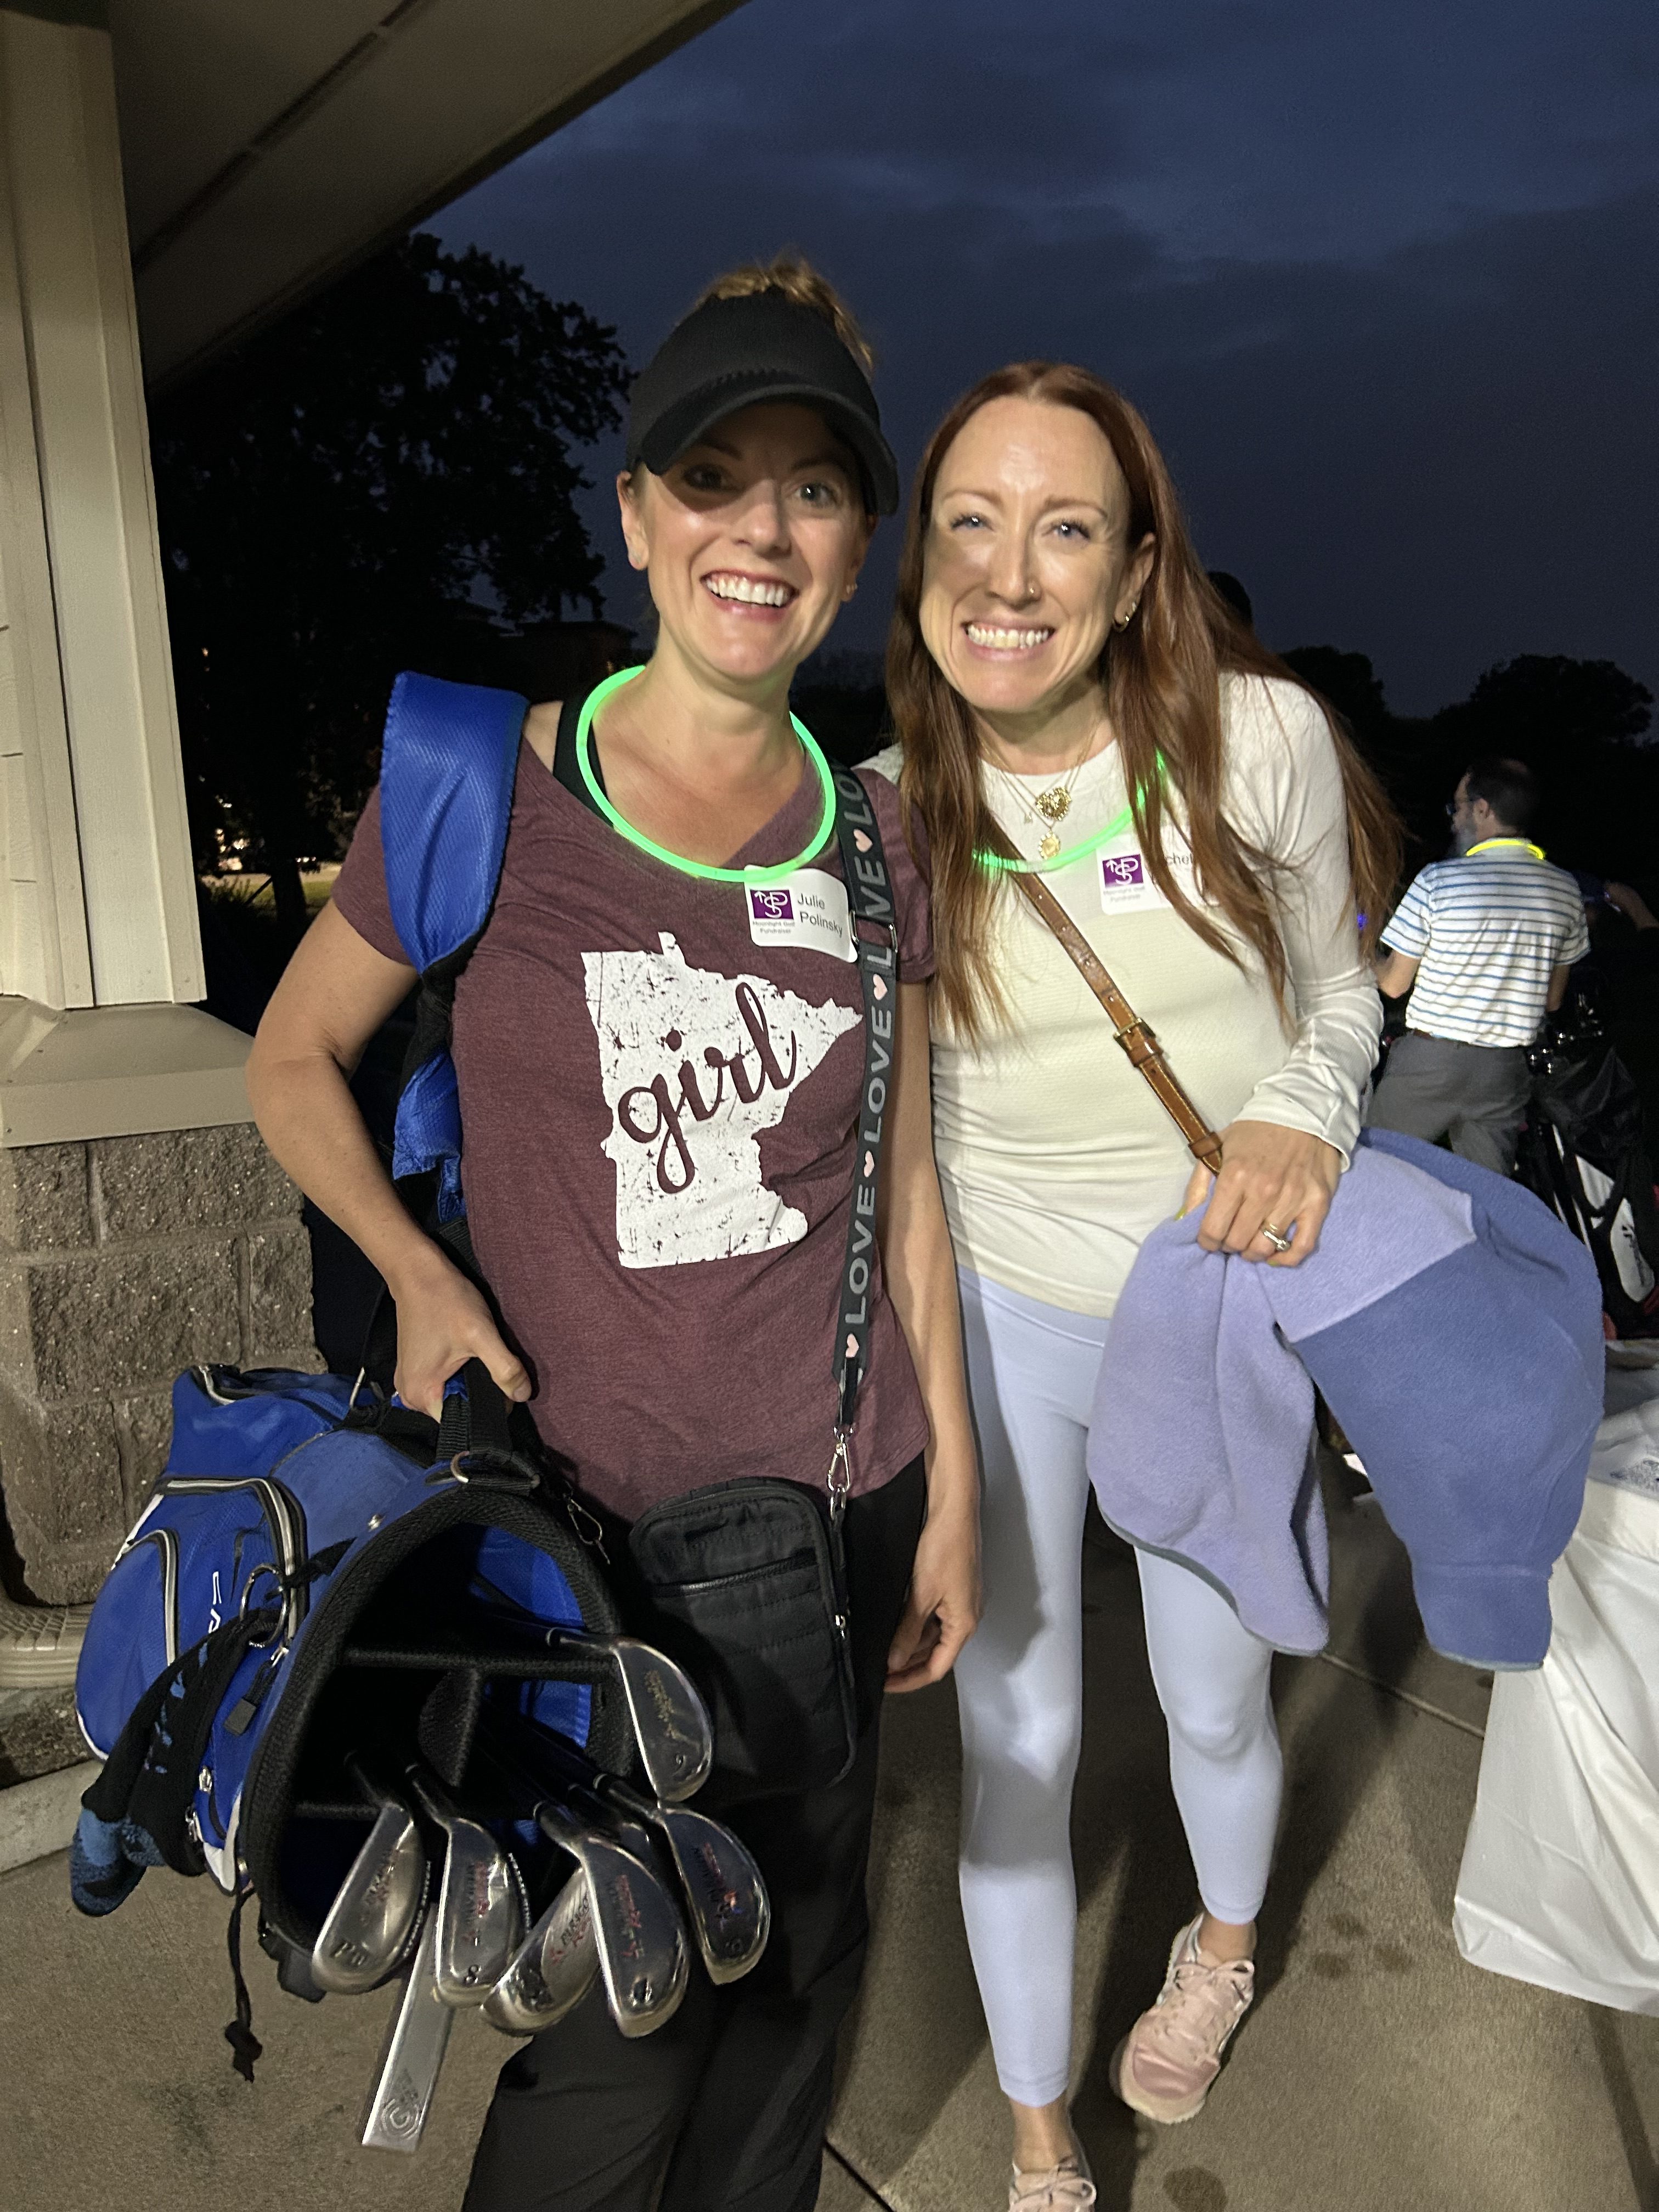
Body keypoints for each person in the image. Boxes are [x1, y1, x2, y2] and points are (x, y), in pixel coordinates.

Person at [245, 259, 981, 2212]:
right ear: (640, 514)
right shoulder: (494, 788)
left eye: (811, 488)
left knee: (798, 1955)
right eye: (713, 478)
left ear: (852, 543)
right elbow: (294, 1059)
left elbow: (896, 1188)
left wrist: (959, 1490)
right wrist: (417, 1276)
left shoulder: (871, 835)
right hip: (582, 1532)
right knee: (604, 2004)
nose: (762, 528)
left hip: (839, 1504)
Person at [869, 362, 1397, 2208]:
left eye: (1065, 526)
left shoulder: (1252, 740)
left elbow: (1339, 987)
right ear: (920, 557)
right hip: (1001, 1327)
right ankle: (1035, 2141)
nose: (1012, 572)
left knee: (1213, 1697)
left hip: (1210, 1307)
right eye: (972, 522)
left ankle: (1225, 1948)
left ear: (1134, 563)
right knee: (1011, 1734)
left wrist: (1298, 1114)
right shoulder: (874, 809)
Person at [1368, 758, 1589, 1175]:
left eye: (1459, 808)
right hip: (1504, 1072)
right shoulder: (1565, 889)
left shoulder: (1439, 881)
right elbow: (1552, 1000)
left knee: (1379, 1171)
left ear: (1483, 809)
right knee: (1488, 1190)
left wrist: (1364, 950)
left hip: (1429, 1063)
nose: (1454, 820)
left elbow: (1395, 985)